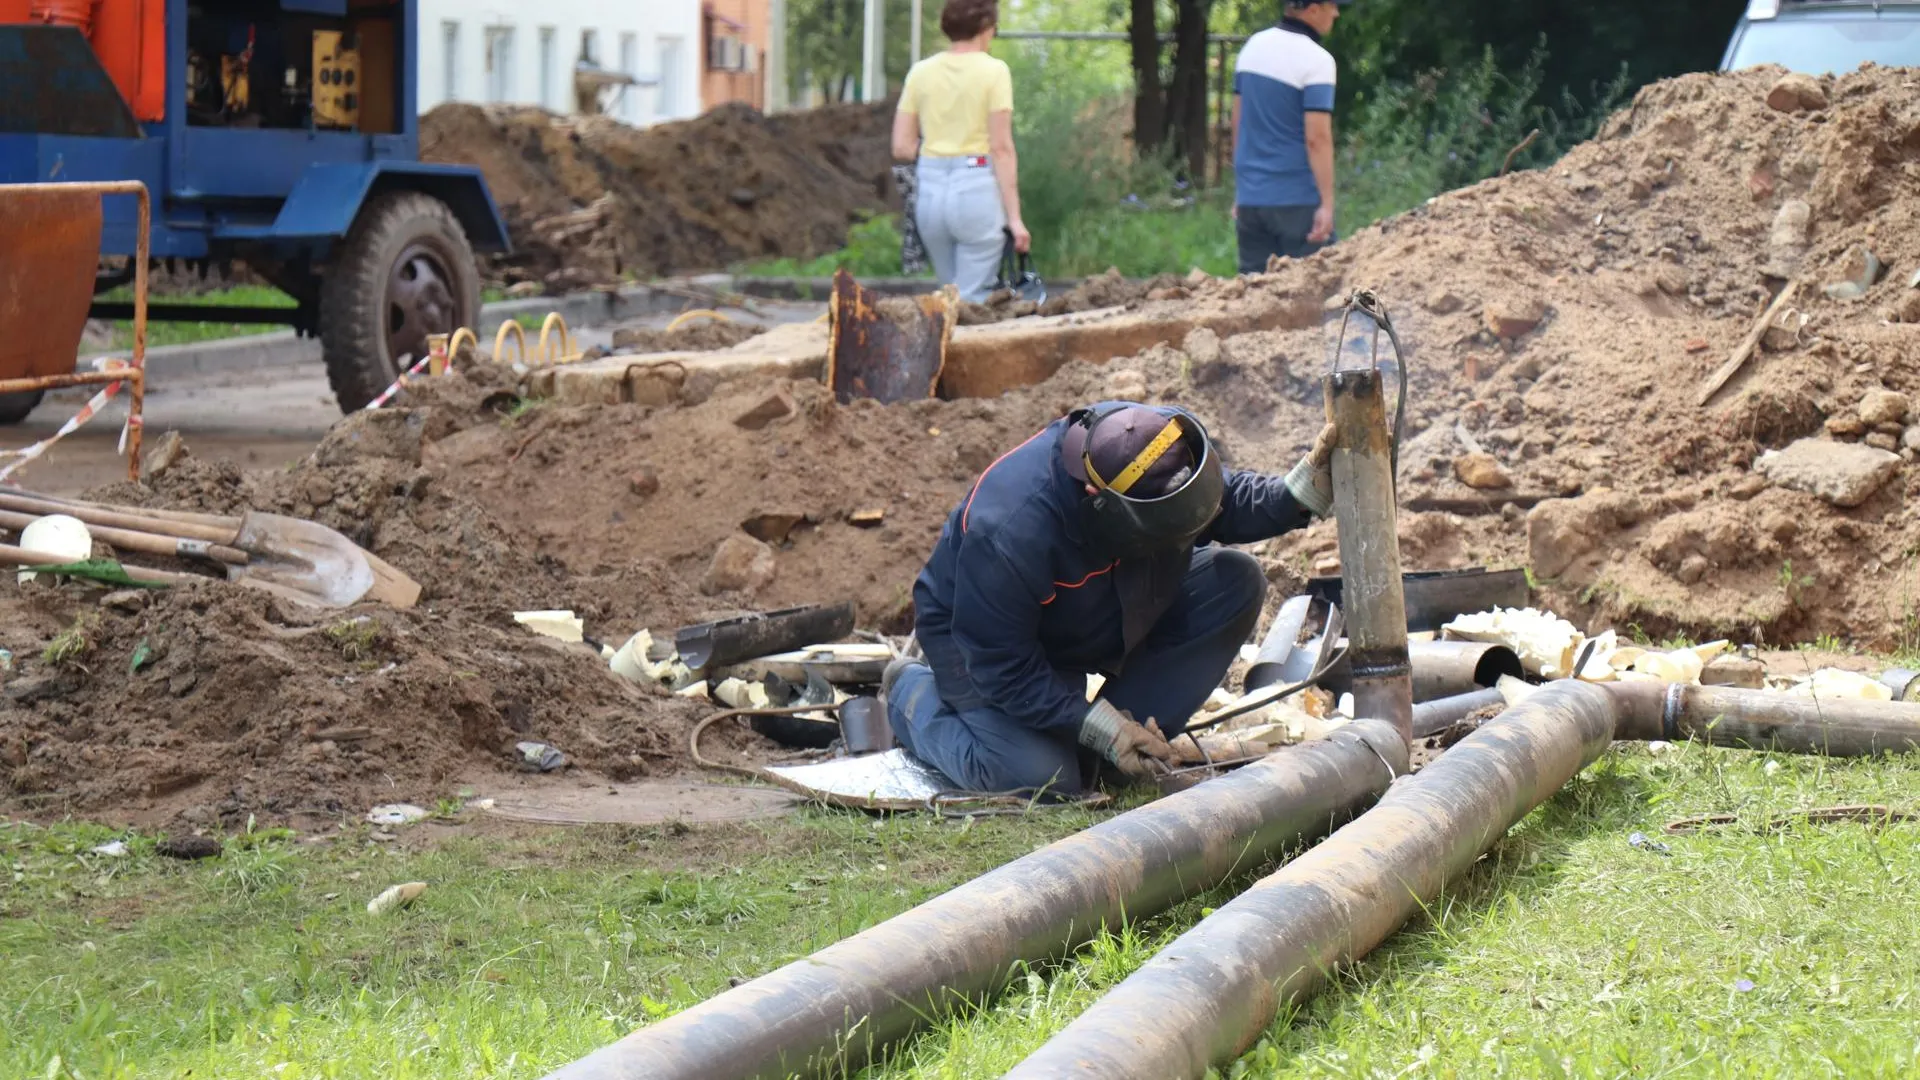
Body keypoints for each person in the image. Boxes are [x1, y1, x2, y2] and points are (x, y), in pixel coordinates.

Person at [882, 403, 1338, 793]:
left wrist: (1292, 496)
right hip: (981, 645)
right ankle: (911, 694)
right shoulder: (1008, 532)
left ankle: (1114, 752)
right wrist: (1096, 724)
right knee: (1043, 780)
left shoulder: (1154, 439)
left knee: (1235, 581)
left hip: (1094, 603)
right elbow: (1003, 666)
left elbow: (1218, 501)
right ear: (1097, 497)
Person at [891, 0, 1030, 303]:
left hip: (930, 193)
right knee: (972, 301)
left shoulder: (920, 72)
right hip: (976, 188)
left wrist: (938, 153)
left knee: (950, 295)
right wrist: (1015, 218)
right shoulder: (994, 71)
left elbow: (901, 146)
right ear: (985, 26)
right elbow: (1001, 148)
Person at [1231, 0, 1348, 274]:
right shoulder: (1317, 60)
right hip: (1298, 201)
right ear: (1313, 9)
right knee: (1320, 287)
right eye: (1332, 6)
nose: (1336, 13)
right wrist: (1327, 204)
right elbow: (1317, 138)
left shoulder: (1252, 48)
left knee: (1254, 291)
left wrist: (1242, 189)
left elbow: (1238, 122)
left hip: (1252, 200)